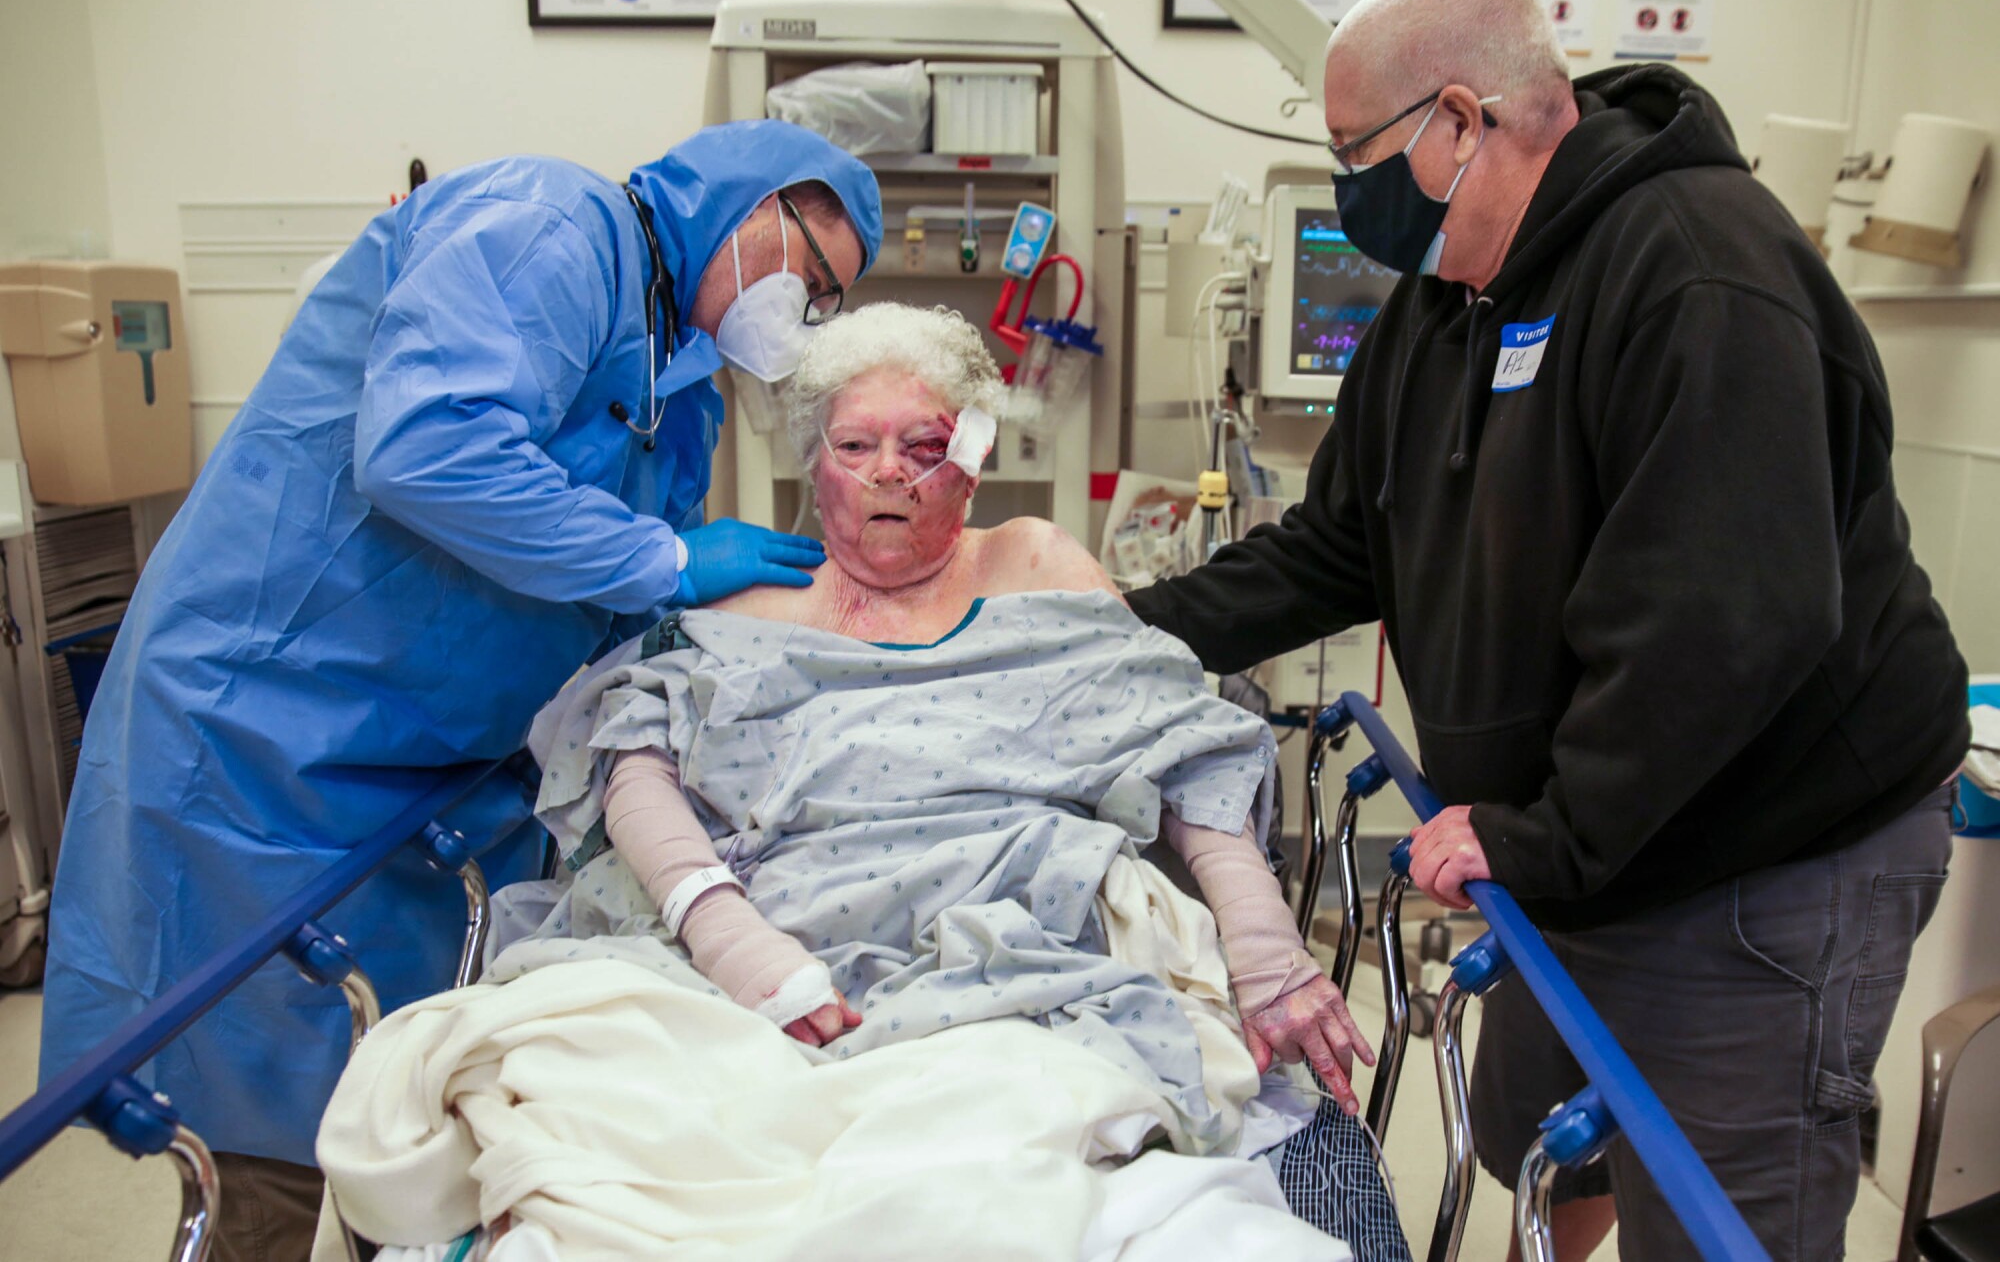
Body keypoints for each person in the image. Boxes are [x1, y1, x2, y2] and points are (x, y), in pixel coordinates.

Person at [1128, 0, 1967, 1262]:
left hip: (1764, 854)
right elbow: (1337, 546)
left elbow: (1728, 622)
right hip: (1585, 845)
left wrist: (1542, 835)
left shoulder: (1697, 272)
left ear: (1465, 120)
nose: (1348, 187)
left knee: (1712, 1215)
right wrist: (1115, 633)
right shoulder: (1448, 304)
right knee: (1539, 1155)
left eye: (1358, 151)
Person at [38, 120, 882, 1261]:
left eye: (828, 302)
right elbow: (428, 449)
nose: (806, 311)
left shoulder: (677, 381)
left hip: (438, 760)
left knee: (402, 1109)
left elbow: (629, 593)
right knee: (270, 1134)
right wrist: (673, 562)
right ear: (748, 203)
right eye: (810, 276)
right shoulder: (551, 227)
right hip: (272, 732)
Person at [477, 301, 1404, 1252]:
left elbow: (1175, 743)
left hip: (1020, 939)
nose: (888, 471)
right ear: (815, 459)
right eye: (855, 444)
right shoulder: (754, 600)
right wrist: (733, 943)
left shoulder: (1033, 566)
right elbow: (633, 764)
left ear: (972, 456)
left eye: (922, 445)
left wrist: (1262, 948)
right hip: (775, 949)